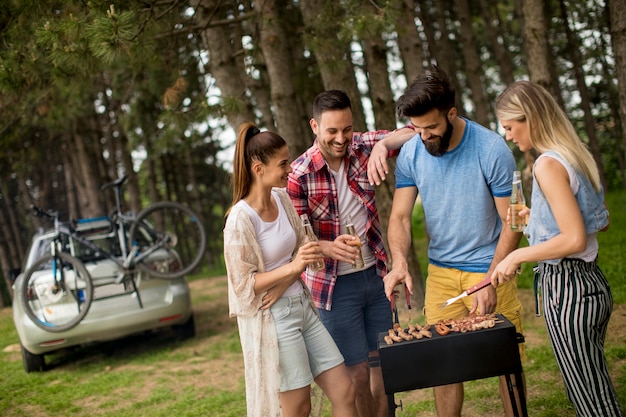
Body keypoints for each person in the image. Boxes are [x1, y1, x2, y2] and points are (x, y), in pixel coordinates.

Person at [374, 68, 526, 417]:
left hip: (491, 266)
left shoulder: (491, 148)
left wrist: (490, 278)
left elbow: (512, 222)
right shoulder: (413, 151)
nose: (424, 136)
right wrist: (399, 263)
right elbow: (398, 217)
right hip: (441, 273)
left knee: (505, 361)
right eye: (416, 129)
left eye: (431, 127)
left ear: (452, 114)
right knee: (442, 365)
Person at [492, 81, 624, 417]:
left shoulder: (546, 164)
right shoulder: (573, 153)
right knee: (592, 388)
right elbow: (598, 222)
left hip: (568, 291)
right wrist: (535, 217)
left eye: (509, 126)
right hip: (591, 285)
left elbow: (574, 240)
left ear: (530, 118)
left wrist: (516, 254)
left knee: (593, 402)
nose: (508, 136)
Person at [287, 90, 415, 417]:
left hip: (376, 277)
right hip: (334, 288)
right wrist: (328, 247)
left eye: (346, 129)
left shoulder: (361, 146)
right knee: (356, 376)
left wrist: (383, 146)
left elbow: (411, 133)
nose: (341, 138)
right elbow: (295, 240)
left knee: (384, 369)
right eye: (332, 131)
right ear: (315, 126)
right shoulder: (299, 174)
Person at [223, 123, 358, 417]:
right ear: (258, 169)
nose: (290, 168)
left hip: (302, 307)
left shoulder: (281, 199)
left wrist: (322, 251)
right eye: (283, 163)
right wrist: (294, 267)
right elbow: (243, 285)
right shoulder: (239, 220)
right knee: (298, 408)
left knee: (345, 390)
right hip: (275, 319)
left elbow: (302, 247)